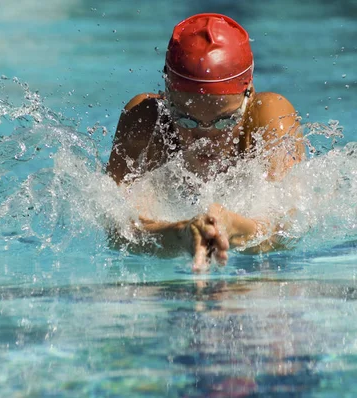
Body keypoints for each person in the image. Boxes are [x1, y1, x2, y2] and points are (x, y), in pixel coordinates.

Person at [107, 13, 305, 270]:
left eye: (224, 121)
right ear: (167, 97)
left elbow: (288, 227)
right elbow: (119, 231)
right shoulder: (147, 123)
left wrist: (236, 229)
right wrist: (180, 234)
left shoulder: (268, 118)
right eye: (186, 119)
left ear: (249, 94)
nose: (205, 138)